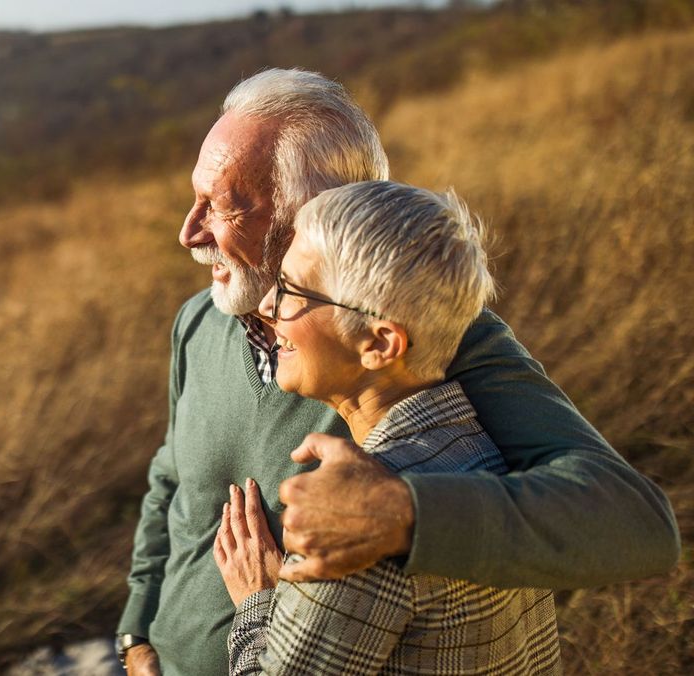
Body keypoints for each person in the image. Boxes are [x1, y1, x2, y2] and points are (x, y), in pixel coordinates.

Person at [115, 68, 679, 676]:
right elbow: (171, 482)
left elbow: (636, 525)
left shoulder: (433, 337)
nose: (188, 233)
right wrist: (136, 635)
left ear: (319, 211)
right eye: (195, 199)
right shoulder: (199, 320)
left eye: (223, 205)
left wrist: (402, 513)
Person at [215, 181, 559, 675]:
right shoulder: (494, 451)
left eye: (291, 289)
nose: (268, 308)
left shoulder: (356, 525)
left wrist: (258, 601)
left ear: (379, 344)